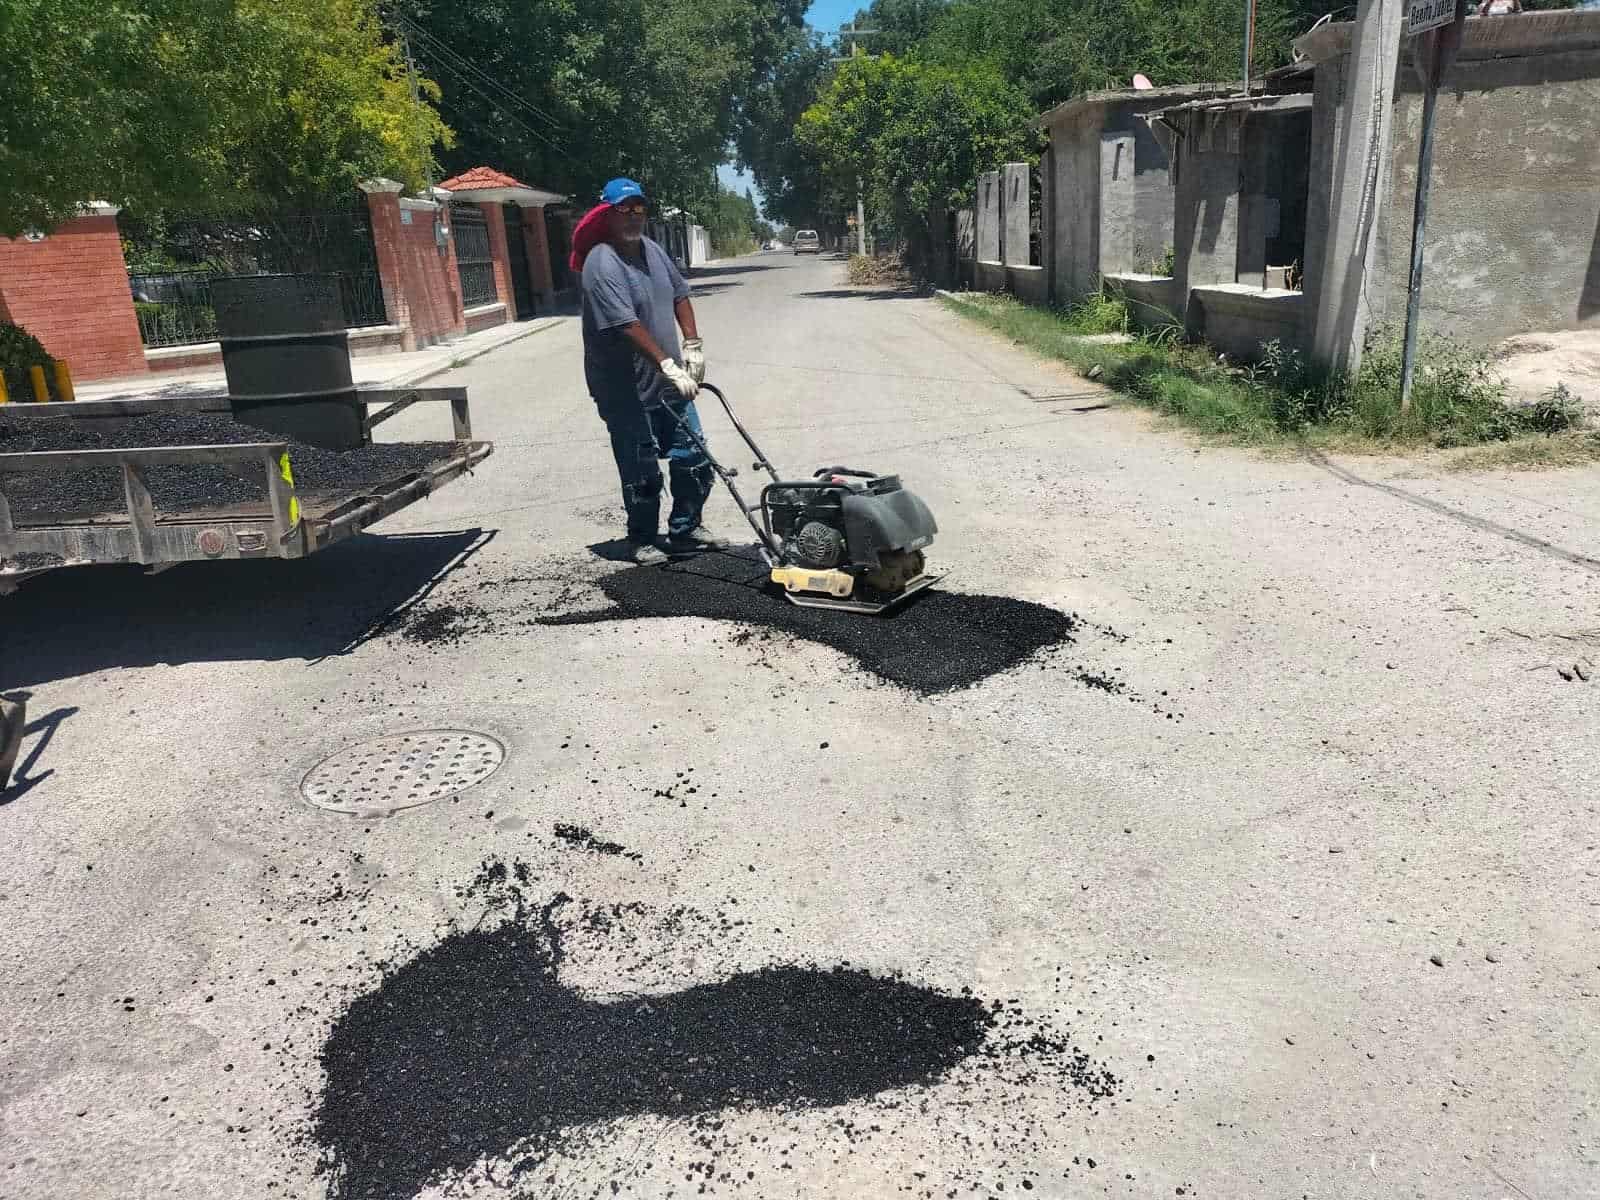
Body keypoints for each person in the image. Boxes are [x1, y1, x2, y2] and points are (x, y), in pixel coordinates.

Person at [575, 177, 718, 562]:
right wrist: (669, 364)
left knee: (694, 455)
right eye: (624, 209)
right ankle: (640, 538)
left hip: (667, 382)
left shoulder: (652, 250)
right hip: (624, 389)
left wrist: (692, 344)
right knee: (642, 469)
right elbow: (626, 325)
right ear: (607, 214)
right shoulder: (601, 263)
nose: (633, 216)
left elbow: (680, 294)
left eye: (639, 209)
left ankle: (685, 530)